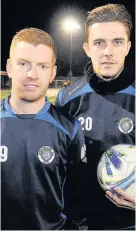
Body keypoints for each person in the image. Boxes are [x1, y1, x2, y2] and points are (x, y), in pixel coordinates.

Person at [55, 4, 135, 230]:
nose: (108, 51)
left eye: (117, 42)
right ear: (86, 48)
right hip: (80, 224)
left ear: (128, 47)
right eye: (99, 42)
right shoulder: (66, 99)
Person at [0, 27, 87, 230]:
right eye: (23, 64)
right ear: (9, 67)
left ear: (52, 73)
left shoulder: (70, 128)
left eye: (42, 66)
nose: (32, 74)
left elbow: (79, 197)